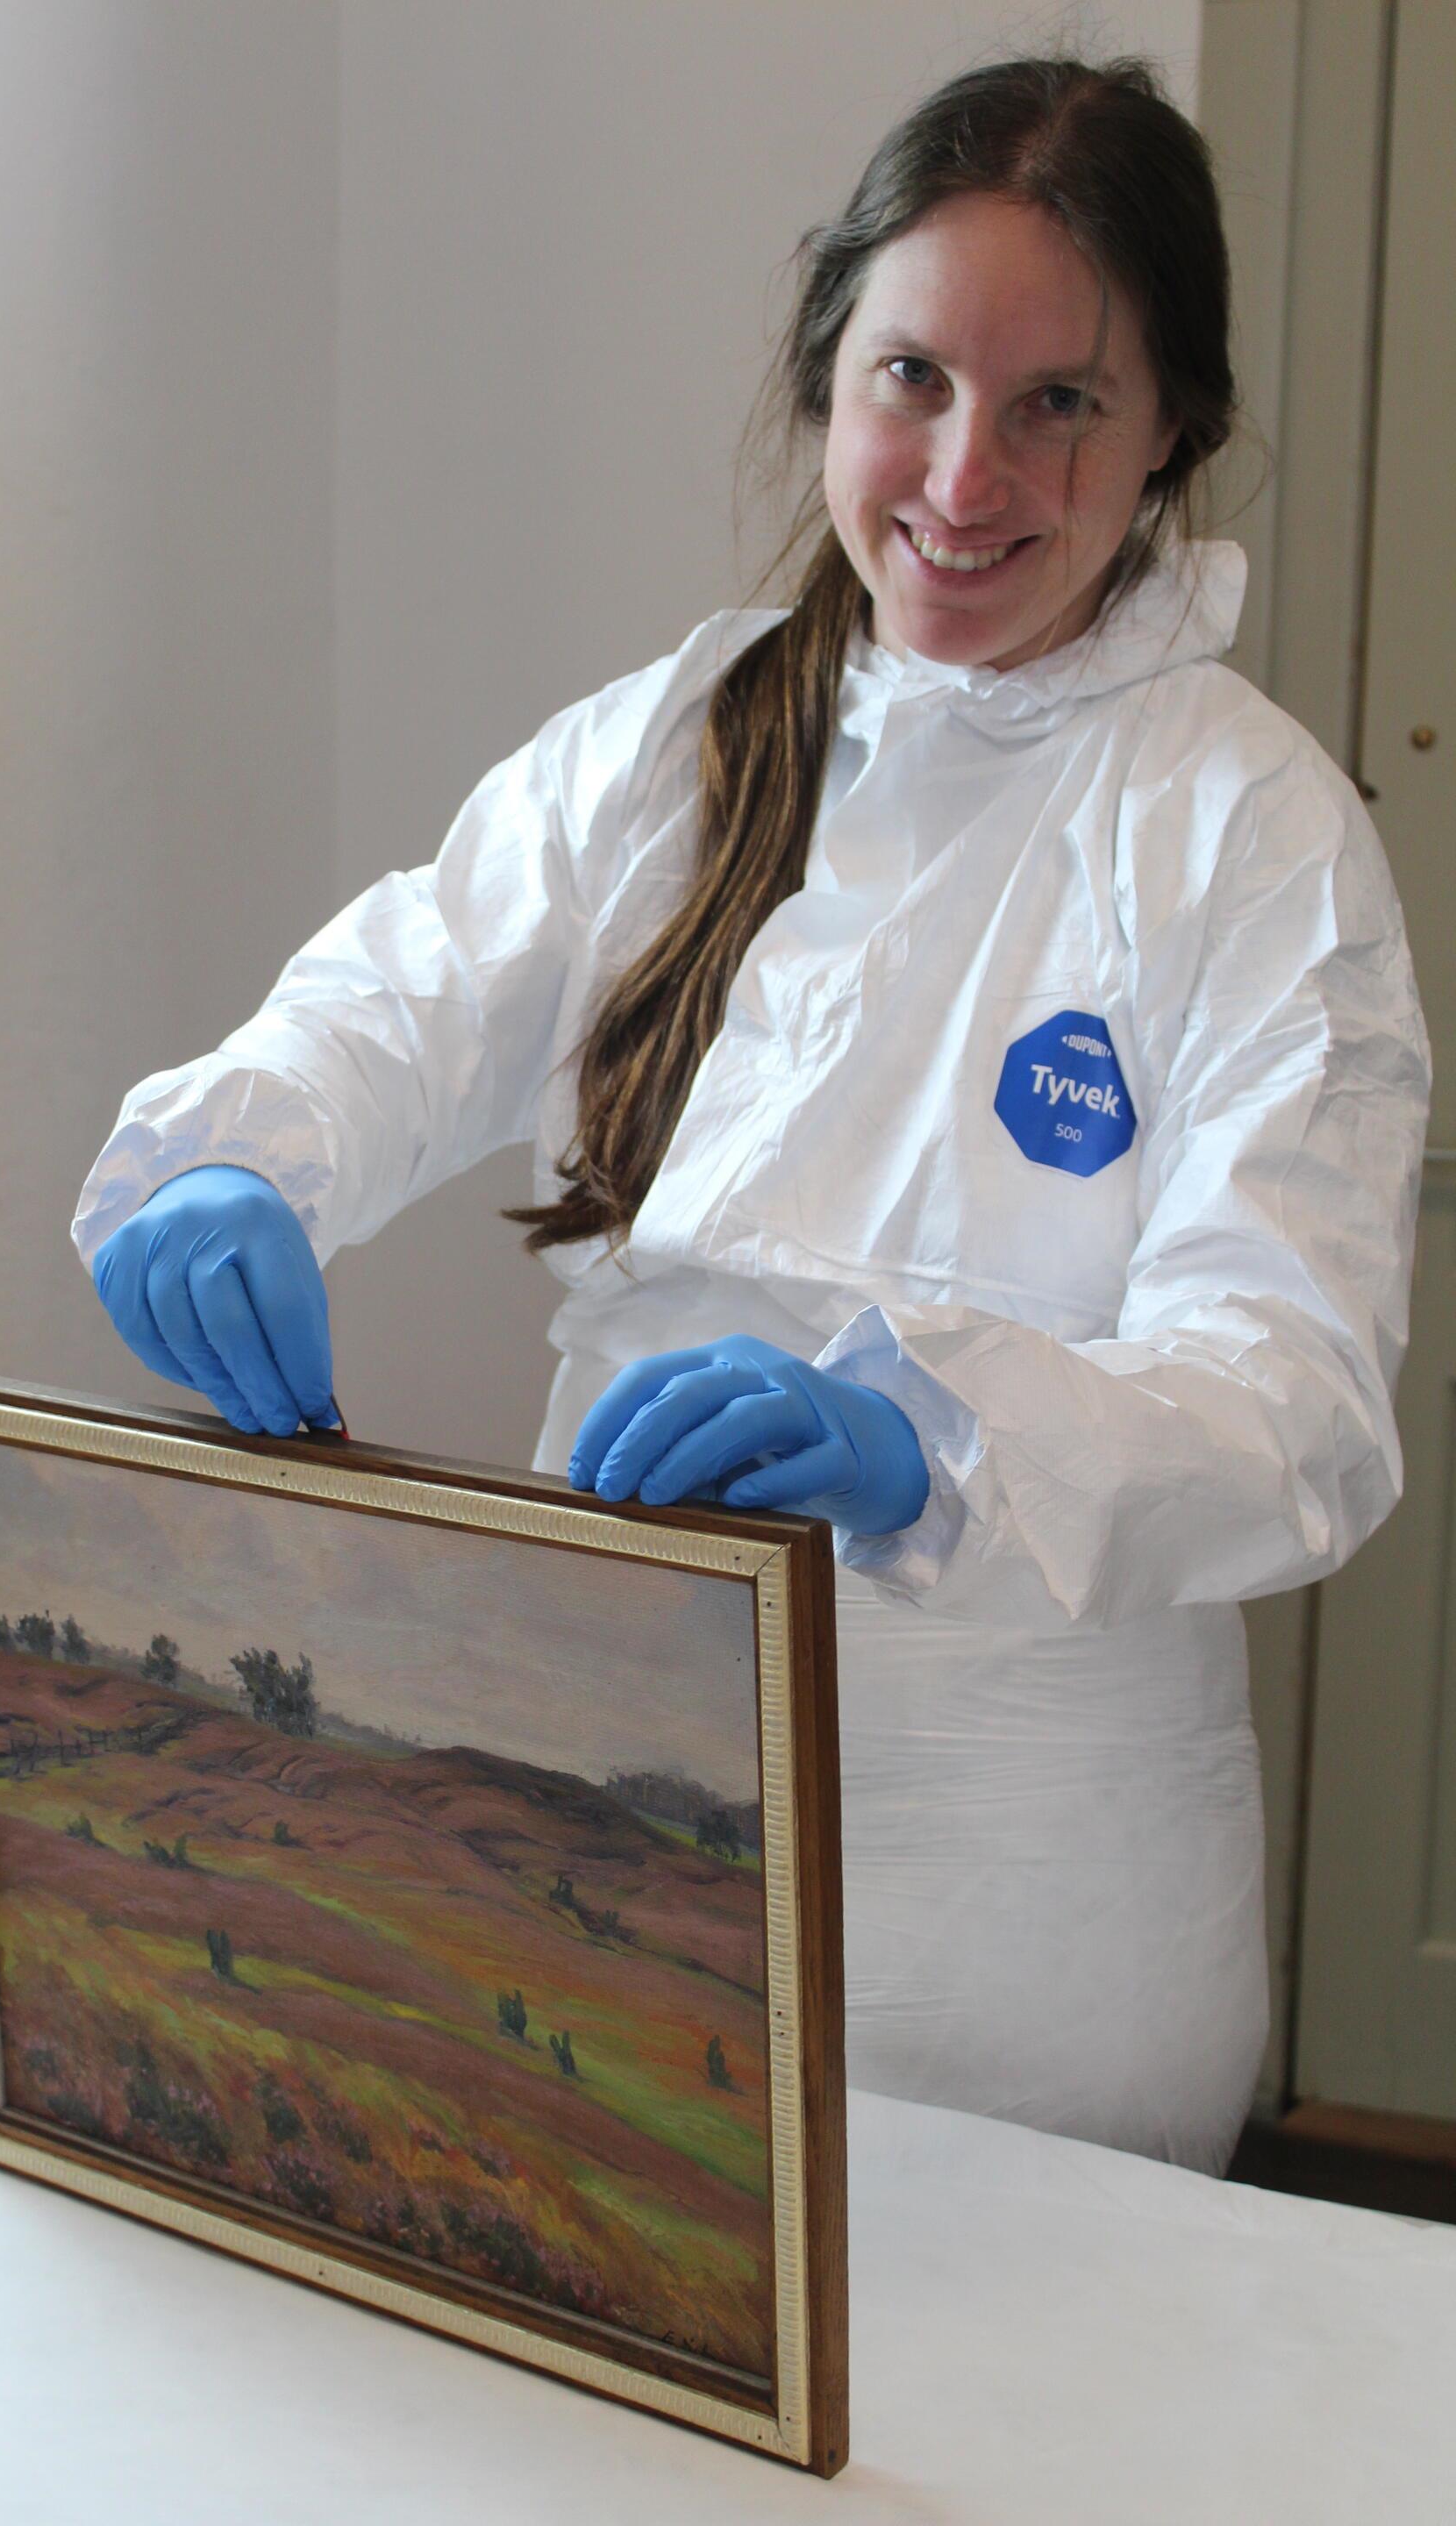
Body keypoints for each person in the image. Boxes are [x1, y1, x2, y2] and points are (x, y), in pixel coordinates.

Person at [71, 54, 1430, 2175]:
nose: (967, 477)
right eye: (914, 380)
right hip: (593, 1841)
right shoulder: (690, 741)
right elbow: (404, 993)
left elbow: (1300, 1404)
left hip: (1037, 1944)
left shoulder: (1254, 836)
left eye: (1061, 401)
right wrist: (237, 1150)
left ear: (1178, 434)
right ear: (825, 368)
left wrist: (939, 1438)